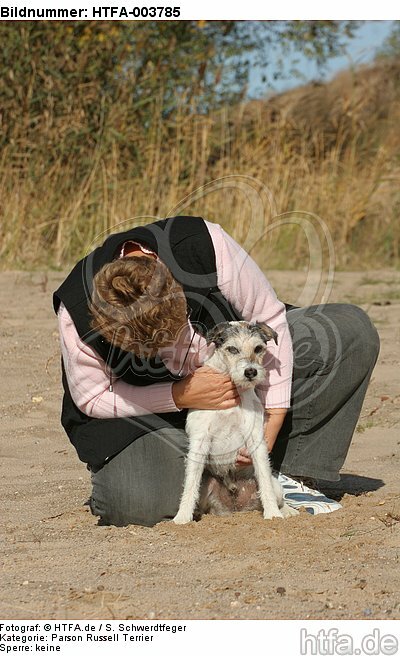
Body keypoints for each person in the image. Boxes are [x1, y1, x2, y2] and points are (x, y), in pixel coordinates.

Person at [53, 215, 380, 526]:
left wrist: (274, 415)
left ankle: (291, 474)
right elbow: (92, 396)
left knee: (349, 332)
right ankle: (178, 476)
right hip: (147, 416)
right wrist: (177, 394)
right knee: (136, 505)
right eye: (152, 349)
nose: (174, 348)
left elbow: (269, 314)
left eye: (179, 329)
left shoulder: (203, 242)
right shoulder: (76, 309)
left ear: (176, 288)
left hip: (243, 367)